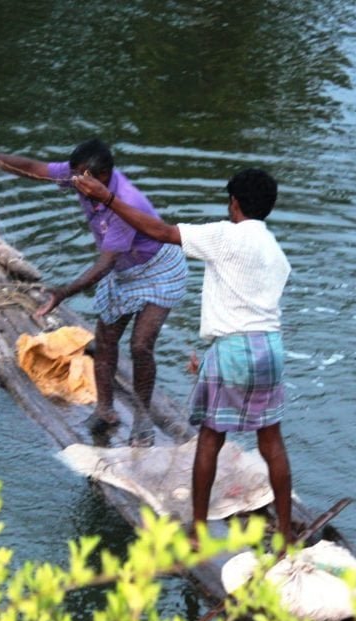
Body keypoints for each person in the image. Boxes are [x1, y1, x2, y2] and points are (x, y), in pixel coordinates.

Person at [73, 167, 293, 544]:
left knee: (210, 439)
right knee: (271, 441)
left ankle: (198, 530)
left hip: (234, 349)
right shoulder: (276, 253)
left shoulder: (226, 235)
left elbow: (160, 232)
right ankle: (287, 532)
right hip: (270, 349)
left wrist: (107, 198)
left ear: (234, 203)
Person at [0, 139, 188, 447]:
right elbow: (34, 169)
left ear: (101, 176)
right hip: (124, 269)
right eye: (72, 175)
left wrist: (62, 293)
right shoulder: (81, 176)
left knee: (141, 345)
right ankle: (105, 411)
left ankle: (142, 420)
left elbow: (105, 263)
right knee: (105, 341)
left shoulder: (126, 203)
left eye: (80, 177)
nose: (73, 182)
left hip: (158, 269)